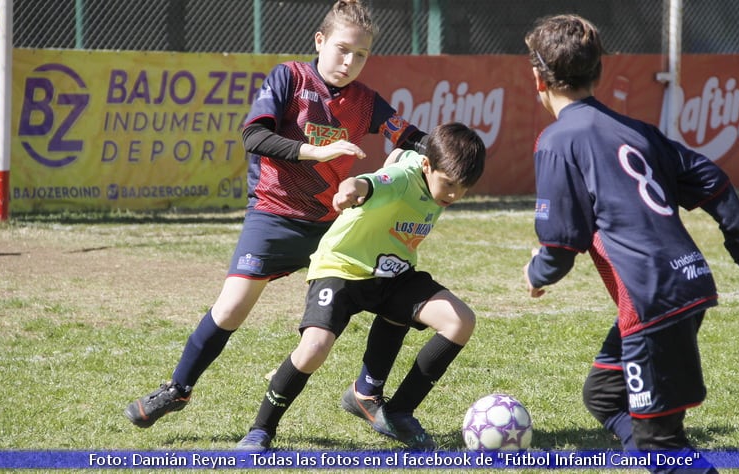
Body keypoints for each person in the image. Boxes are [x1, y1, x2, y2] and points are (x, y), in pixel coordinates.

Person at [124, 0, 429, 429]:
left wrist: (443, 150)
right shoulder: (290, 77)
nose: (350, 61)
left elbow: (408, 134)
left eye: (361, 55)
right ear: (319, 41)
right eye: (342, 49)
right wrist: (317, 151)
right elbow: (253, 135)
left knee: (389, 287)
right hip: (274, 214)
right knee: (230, 309)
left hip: (332, 228)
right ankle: (178, 389)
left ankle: (366, 392)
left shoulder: (366, 102)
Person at [521, 13, 739, 472]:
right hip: (685, 285)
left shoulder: (557, 140)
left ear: (537, 78)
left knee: (661, 445)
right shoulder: (638, 131)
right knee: (605, 394)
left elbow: (561, 245)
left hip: (652, 302)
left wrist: (536, 274)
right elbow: (714, 180)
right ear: (599, 71)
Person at [235, 122, 486, 451]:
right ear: (427, 166)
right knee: (314, 348)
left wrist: (399, 155)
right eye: (449, 184)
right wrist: (349, 191)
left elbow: (404, 154)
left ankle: (396, 412)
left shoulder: (429, 169)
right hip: (341, 267)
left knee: (460, 322)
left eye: (463, 188)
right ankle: (261, 429)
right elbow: (368, 182)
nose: (453, 195)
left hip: (391, 273)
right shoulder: (403, 179)